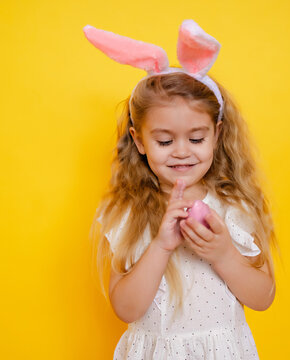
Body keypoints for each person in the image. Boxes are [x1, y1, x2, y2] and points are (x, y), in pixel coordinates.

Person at [85, 20, 279, 359]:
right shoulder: (128, 212)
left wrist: (223, 254)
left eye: (196, 138)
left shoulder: (235, 206)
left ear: (217, 135)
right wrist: (161, 244)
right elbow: (126, 309)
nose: (181, 151)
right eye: (164, 140)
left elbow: (263, 298)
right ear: (139, 140)